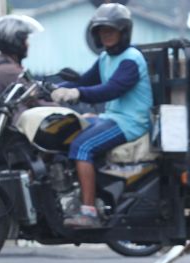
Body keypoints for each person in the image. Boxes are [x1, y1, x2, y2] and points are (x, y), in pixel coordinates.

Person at [51, 3, 152, 228]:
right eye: (101, 31)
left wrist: (75, 93)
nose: (105, 35)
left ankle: (89, 212)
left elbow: (111, 89)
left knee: (82, 147)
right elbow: (84, 80)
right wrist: (49, 88)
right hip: (112, 118)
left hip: (131, 122)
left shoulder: (131, 59)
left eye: (110, 30)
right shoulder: (106, 57)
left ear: (123, 31)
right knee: (65, 134)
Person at [0, 14, 44, 94]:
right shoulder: (9, 71)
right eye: (25, 40)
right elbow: (36, 100)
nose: (28, 44)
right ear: (16, 42)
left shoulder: (0, 64)